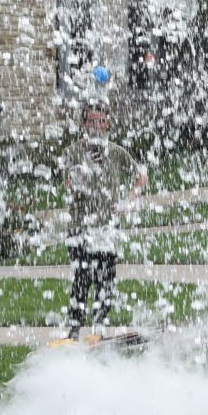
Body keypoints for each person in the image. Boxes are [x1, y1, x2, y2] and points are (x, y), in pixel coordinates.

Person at [62, 101, 147, 338]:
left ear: (108, 124)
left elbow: (141, 177)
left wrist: (128, 202)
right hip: (80, 226)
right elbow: (67, 185)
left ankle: (98, 329)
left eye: (101, 121)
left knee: (105, 279)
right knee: (82, 278)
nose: (97, 126)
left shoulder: (117, 152)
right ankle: (74, 330)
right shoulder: (72, 152)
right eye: (92, 121)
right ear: (83, 124)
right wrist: (77, 182)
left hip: (108, 227)